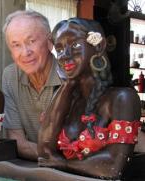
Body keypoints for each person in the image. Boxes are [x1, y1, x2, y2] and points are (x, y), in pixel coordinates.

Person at [37, 18, 141, 180]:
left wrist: (64, 164)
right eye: (60, 49)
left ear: (99, 46)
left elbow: (112, 167)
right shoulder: (68, 99)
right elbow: (44, 153)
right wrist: (68, 84)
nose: (65, 55)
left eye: (75, 45)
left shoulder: (122, 98)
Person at [2, 10, 62, 161]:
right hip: (39, 166)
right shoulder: (10, 76)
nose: (25, 52)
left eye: (31, 41)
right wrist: (56, 160)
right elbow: (18, 143)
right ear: (11, 52)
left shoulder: (69, 75)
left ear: (50, 42)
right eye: (16, 45)